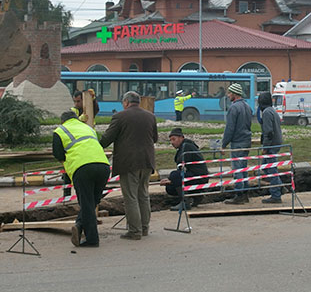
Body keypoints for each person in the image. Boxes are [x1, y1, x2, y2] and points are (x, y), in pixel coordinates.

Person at [99, 91, 158, 240]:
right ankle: (144, 228)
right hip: (147, 161)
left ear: (125, 102)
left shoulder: (119, 116)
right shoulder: (150, 116)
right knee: (143, 195)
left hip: (129, 162)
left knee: (130, 197)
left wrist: (95, 145)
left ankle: (134, 231)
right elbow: (155, 138)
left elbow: (107, 138)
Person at [53, 110, 111, 248]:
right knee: (92, 202)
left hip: (82, 168)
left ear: (62, 121)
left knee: (86, 204)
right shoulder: (88, 128)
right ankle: (79, 225)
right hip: (104, 166)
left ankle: (92, 239)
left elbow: (58, 154)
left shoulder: (59, 131)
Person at [220, 83, 254, 204]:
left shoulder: (234, 108)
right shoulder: (247, 106)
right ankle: (245, 193)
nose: (228, 95)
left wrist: (224, 144)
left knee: (237, 168)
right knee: (243, 167)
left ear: (234, 94)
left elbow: (230, 128)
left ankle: (239, 194)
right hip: (246, 140)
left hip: (237, 142)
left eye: (229, 93)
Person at [162, 127, 209, 211]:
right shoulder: (185, 146)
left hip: (198, 177)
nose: (172, 142)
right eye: (171, 140)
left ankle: (185, 202)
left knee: (174, 175)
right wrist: (170, 180)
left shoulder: (186, 146)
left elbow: (181, 164)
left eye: (174, 139)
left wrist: (171, 178)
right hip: (196, 176)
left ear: (181, 138)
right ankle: (197, 196)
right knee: (170, 187)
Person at [256, 91, 284, 204]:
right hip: (276, 143)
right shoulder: (272, 111)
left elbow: (268, 132)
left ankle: (276, 195)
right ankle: (281, 187)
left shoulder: (267, 112)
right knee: (265, 167)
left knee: (271, 170)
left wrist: (265, 147)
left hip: (271, 144)